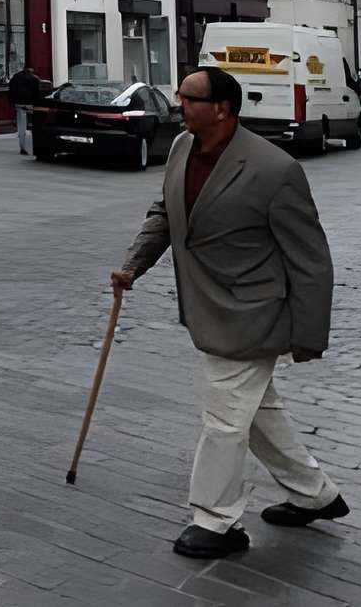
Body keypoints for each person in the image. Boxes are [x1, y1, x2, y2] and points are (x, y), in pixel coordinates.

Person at [110, 66, 344, 559]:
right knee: (256, 412)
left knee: (224, 416)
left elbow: (310, 259)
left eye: (189, 97)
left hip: (252, 313)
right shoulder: (182, 147)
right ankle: (315, 495)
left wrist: (308, 335)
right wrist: (133, 266)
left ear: (222, 109)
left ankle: (215, 520)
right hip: (207, 305)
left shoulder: (274, 169)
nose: (179, 103)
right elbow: (166, 213)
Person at [9, 61, 48, 155]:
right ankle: (31, 146)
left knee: (21, 127)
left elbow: (11, 90)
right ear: (31, 69)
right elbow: (39, 92)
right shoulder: (35, 78)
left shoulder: (16, 77)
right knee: (33, 126)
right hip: (31, 105)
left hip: (19, 104)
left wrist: (12, 102)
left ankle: (22, 146)